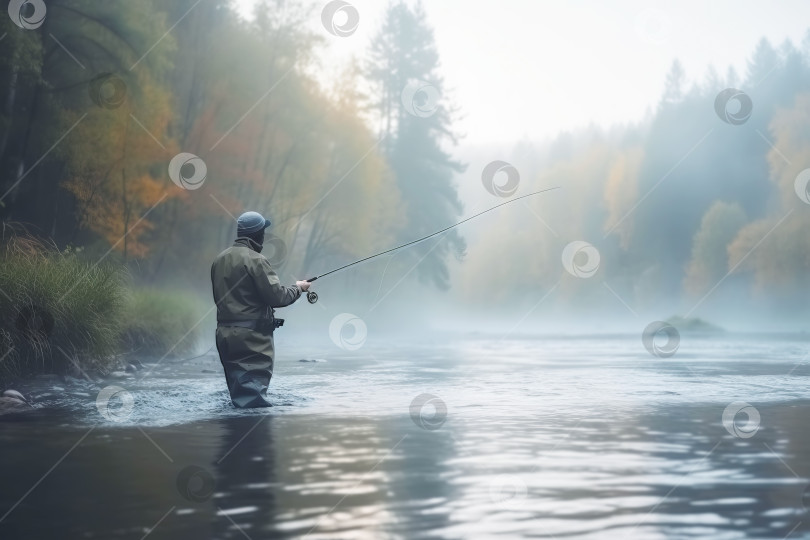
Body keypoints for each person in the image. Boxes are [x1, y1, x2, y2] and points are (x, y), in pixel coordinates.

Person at [211, 211, 311, 408]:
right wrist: (298, 288)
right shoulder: (256, 260)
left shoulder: (219, 260)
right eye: (263, 231)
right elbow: (277, 297)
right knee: (252, 401)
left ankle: (238, 433)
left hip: (225, 336)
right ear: (258, 234)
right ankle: (250, 436)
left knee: (239, 395)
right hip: (252, 340)